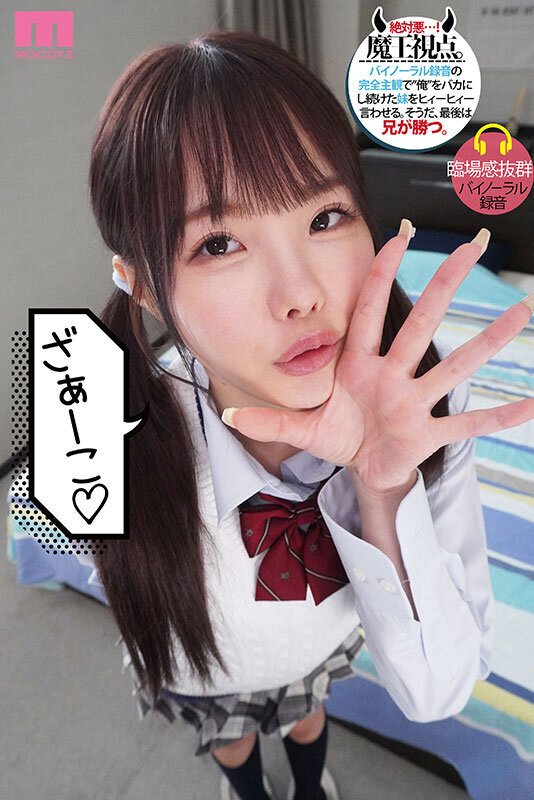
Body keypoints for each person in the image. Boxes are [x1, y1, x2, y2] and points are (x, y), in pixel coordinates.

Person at [81, 30, 534, 800]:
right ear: (143, 287)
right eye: (219, 243)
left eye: (325, 218)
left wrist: (384, 493)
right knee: (231, 746)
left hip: (311, 658)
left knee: (306, 718)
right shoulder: (91, 411)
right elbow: (102, 564)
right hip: (197, 670)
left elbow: (439, 692)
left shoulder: (423, 406)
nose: (301, 295)